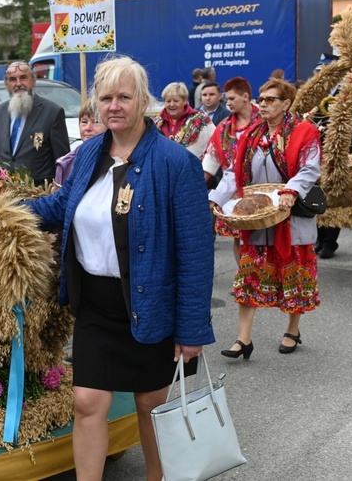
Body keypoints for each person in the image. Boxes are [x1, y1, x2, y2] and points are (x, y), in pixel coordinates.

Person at [26, 56, 215, 480]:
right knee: (87, 402)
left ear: (144, 101)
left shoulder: (175, 163)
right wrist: (1, 213)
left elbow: (196, 253)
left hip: (152, 307)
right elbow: (60, 206)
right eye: (106, 97)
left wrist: (191, 331)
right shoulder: (90, 152)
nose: (114, 106)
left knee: (151, 407)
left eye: (124, 97)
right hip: (96, 304)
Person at [209, 78, 321, 358]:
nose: (263, 104)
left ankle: (292, 329)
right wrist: (214, 199)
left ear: (286, 104)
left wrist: (290, 191)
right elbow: (234, 173)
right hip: (258, 217)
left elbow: (309, 168)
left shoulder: (304, 132)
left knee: (294, 275)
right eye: (261, 98)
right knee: (249, 276)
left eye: (271, 100)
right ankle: (243, 339)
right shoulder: (251, 135)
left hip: (291, 217)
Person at [202, 77, 261, 263]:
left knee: (265, 237)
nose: (227, 103)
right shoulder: (223, 128)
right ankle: (244, 277)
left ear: (245, 97)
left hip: (263, 188)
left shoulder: (264, 121)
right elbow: (210, 162)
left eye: (232, 99)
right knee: (240, 238)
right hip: (233, 191)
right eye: (226, 99)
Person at [0, 61, 70, 185]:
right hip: (4, 196)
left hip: (39, 196)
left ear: (33, 80)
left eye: (23, 78)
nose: (19, 84)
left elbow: (63, 161)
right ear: (6, 84)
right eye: (12, 79)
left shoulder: (52, 112)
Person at [154, 81, 215, 158]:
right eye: (168, 101)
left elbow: (215, 144)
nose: (172, 104)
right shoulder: (156, 123)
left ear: (185, 101)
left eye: (176, 101)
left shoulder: (201, 120)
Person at [55, 98, 107, 184]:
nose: (88, 128)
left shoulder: (119, 161)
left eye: (96, 122)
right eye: (84, 122)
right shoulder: (66, 164)